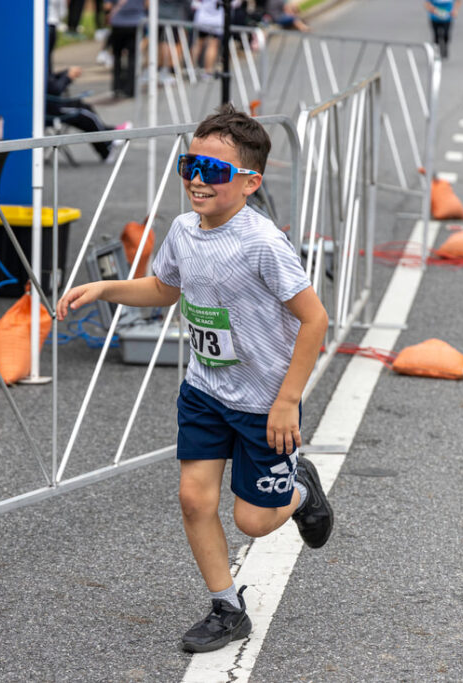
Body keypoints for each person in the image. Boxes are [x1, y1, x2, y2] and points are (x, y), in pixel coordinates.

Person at [57, 104, 333, 652]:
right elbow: (165, 289)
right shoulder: (184, 230)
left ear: (250, 182)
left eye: (214, 171)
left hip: (264, 402)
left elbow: (315, 319)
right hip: (205, 391)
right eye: (190, 166)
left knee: (254, 521)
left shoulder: (262, 244)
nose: (197, 180)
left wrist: (287, 401)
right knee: (193, 499)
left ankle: (301, 492)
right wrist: (107, 288)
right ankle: (226, 607)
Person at [46, 65, 131, 162]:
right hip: (48, 109)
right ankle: (108, 139)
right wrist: (67, 77)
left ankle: (109, 135)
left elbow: (50, 80)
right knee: (84, 114)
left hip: (51, 104)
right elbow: (54, 89)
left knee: (84, 107)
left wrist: (66, 72)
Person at [108, 0, 147, 98]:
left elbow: (107, 6)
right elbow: (147, 4)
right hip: (136, 22)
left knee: (117, 57)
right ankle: (130, 89)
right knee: (133, 57)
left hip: (118, 23)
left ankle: (117, 87)